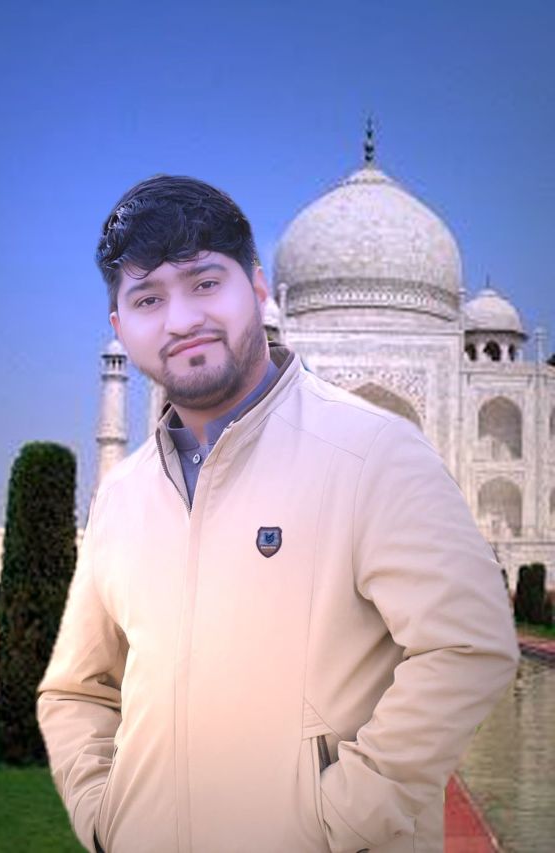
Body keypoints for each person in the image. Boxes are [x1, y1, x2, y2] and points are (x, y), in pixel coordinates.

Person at [36, 175, 520, 853]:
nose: (182, 320)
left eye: (206, 284)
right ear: (124, 327)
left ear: (258, 293)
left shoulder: (375, 453)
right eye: (149, 299)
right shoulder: (126, 493)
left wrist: (333, 820)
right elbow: (77, 689)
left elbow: (471, 645)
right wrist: (103, 816)